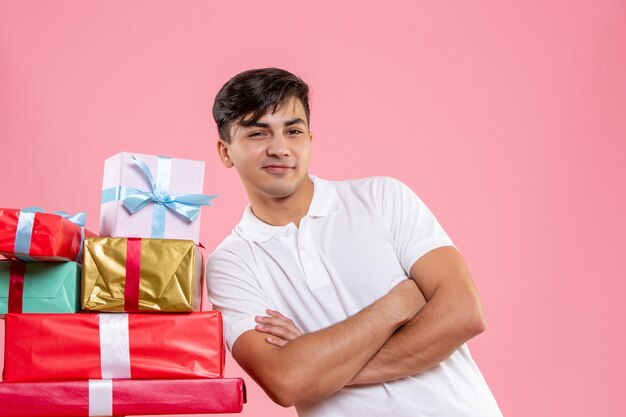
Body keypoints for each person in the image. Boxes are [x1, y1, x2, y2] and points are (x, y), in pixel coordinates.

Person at [207, 67, 503, 417]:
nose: (279, 148)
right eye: (258, 133)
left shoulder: (383, 198)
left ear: (310, 140)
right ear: (225, 152)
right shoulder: (230, 263)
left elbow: (465, 314)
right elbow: (286, 381)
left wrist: (318, 364)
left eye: (293, 130)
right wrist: (396, 305)